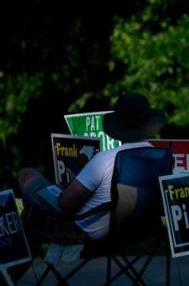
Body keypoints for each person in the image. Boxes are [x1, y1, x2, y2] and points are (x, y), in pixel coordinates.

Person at [17, 92, 166, 258]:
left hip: (88, 235)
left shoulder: (105, 159)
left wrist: (70, 186)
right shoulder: (159, 158)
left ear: (117, 125)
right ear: (148, 123)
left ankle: (13, 275)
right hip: (140, 234)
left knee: (27, 176)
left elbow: (66, 204)